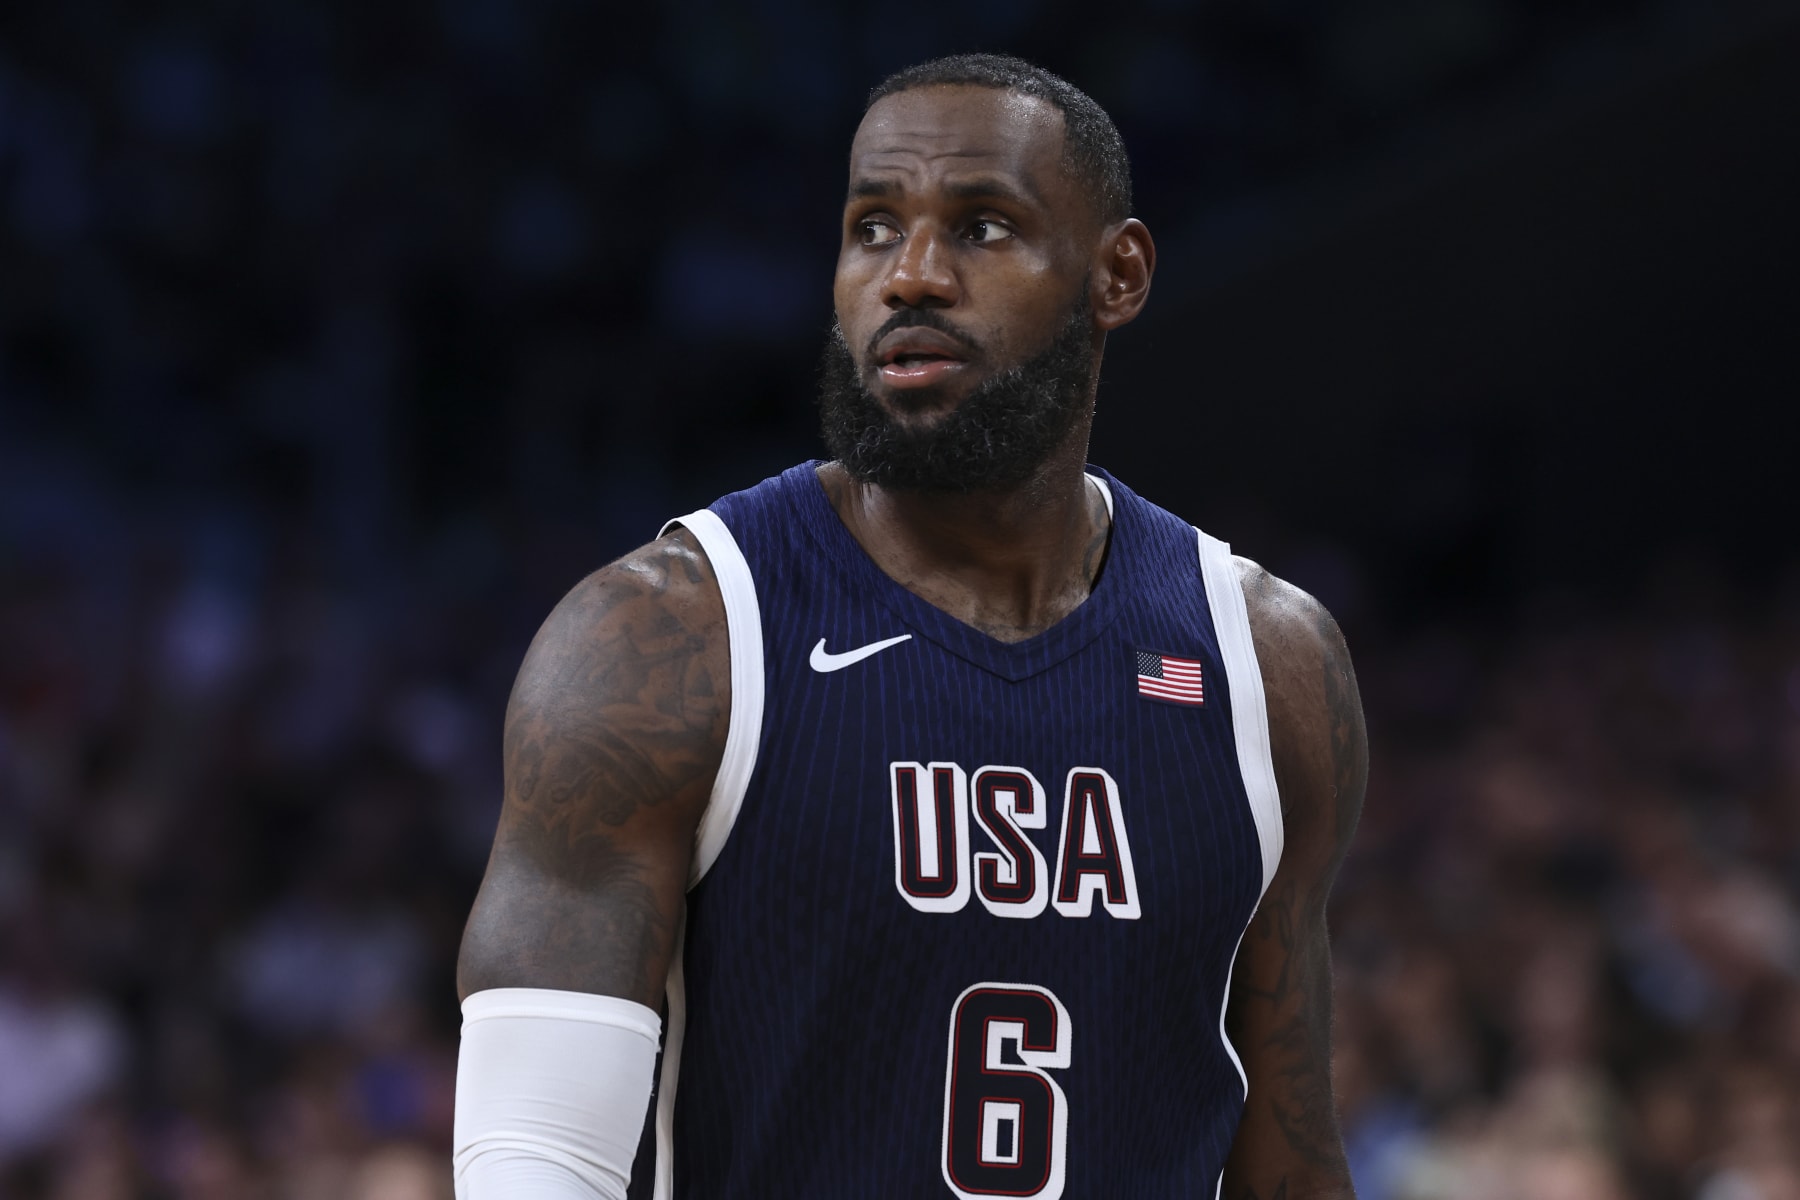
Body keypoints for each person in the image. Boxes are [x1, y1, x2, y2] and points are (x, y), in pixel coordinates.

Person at [452, 53, 1367, 1200]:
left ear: (1117, 273)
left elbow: (1289, 1165)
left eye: (983, 228)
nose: (912, 276)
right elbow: (535, 1160)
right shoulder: (667, 639)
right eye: (873, 228)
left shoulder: (1266, 668)